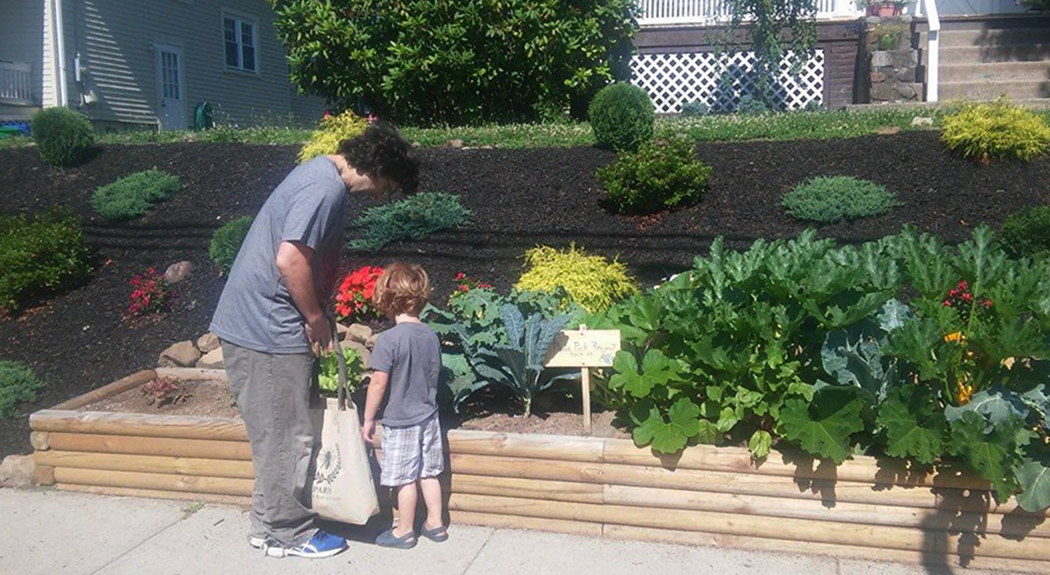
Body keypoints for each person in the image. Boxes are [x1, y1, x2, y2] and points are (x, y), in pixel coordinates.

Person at [210, 124, 419, 559]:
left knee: (275, 434)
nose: (381, 195)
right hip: (267, 328)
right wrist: (314, 317)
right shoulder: (324, 188)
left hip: (259, 325)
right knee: (289, 436)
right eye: (387, 186)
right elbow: (289, 260)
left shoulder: (318, 176)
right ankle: (291, 533)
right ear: (378, 168)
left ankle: (266, 526)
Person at [361, 263, 448, 549]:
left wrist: (368, 418)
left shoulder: (388, 340)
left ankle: (405, 531)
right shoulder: (430, 335)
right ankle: (435, 524)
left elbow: (378, 384)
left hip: (401, 420)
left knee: (404, 478)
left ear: (387, 299)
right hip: (429, 417)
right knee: (429, 472)